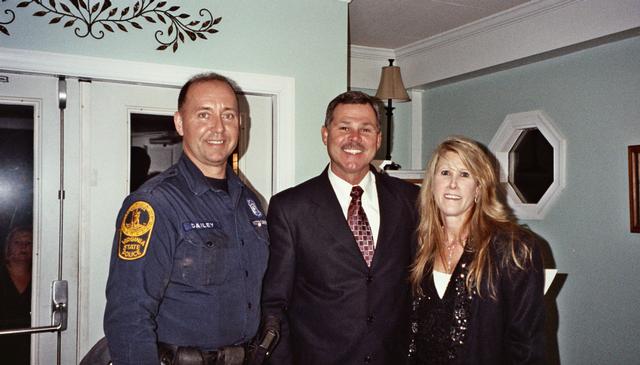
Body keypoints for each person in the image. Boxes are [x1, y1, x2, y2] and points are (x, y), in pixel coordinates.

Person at [103, 73, 269, 365]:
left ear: (240, 123)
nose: (218, 127)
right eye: (204, 114)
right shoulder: (153, 204)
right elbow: (128, 314)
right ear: (180, 123)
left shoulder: (250, 202)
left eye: (228, 115)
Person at [261, 91, 420, 365]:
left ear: (379, 139)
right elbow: (275, 303)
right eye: (344, 127)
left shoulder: (410, 200)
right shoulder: (290, 208)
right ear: (325, 134)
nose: (354, 138)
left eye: (365, 129)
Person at [408, 136, 545, 364]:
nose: (453, 184)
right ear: (431, 185)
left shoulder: (513, 248)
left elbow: (527, 344)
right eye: (445, 173)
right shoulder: (418, 243)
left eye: (464, 174)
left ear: (479, 187)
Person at [0, 226, 33, 365]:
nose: (23, 246)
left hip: (32, 346)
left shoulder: (40, 278)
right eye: (17, 242)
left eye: (29, 243)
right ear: (8, 247)